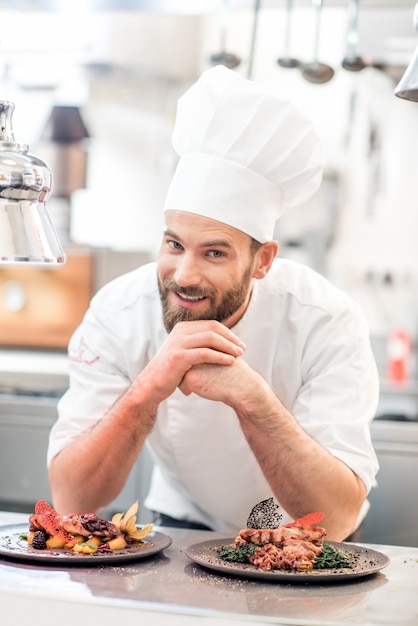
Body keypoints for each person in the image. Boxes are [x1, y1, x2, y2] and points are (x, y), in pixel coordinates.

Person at [47, 65, 379, 541]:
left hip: (309, 535)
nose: (184, 275)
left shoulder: (325, 321)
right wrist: (148, 388)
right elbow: (72, 500)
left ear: (262, 261)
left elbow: (339, 517)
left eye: (215, 253)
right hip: (185, 523)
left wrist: (255, 400)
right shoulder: (119, 313)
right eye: (174, 245)